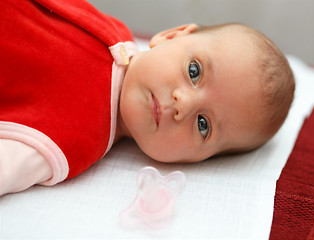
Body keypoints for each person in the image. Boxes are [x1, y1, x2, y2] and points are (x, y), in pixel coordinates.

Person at [0, 0, 294, 196]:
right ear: (171, 36)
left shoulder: (74, 142)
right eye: (194, 71)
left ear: (195, 161)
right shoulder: (113, 31)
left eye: (203, 125)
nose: (183, 104)